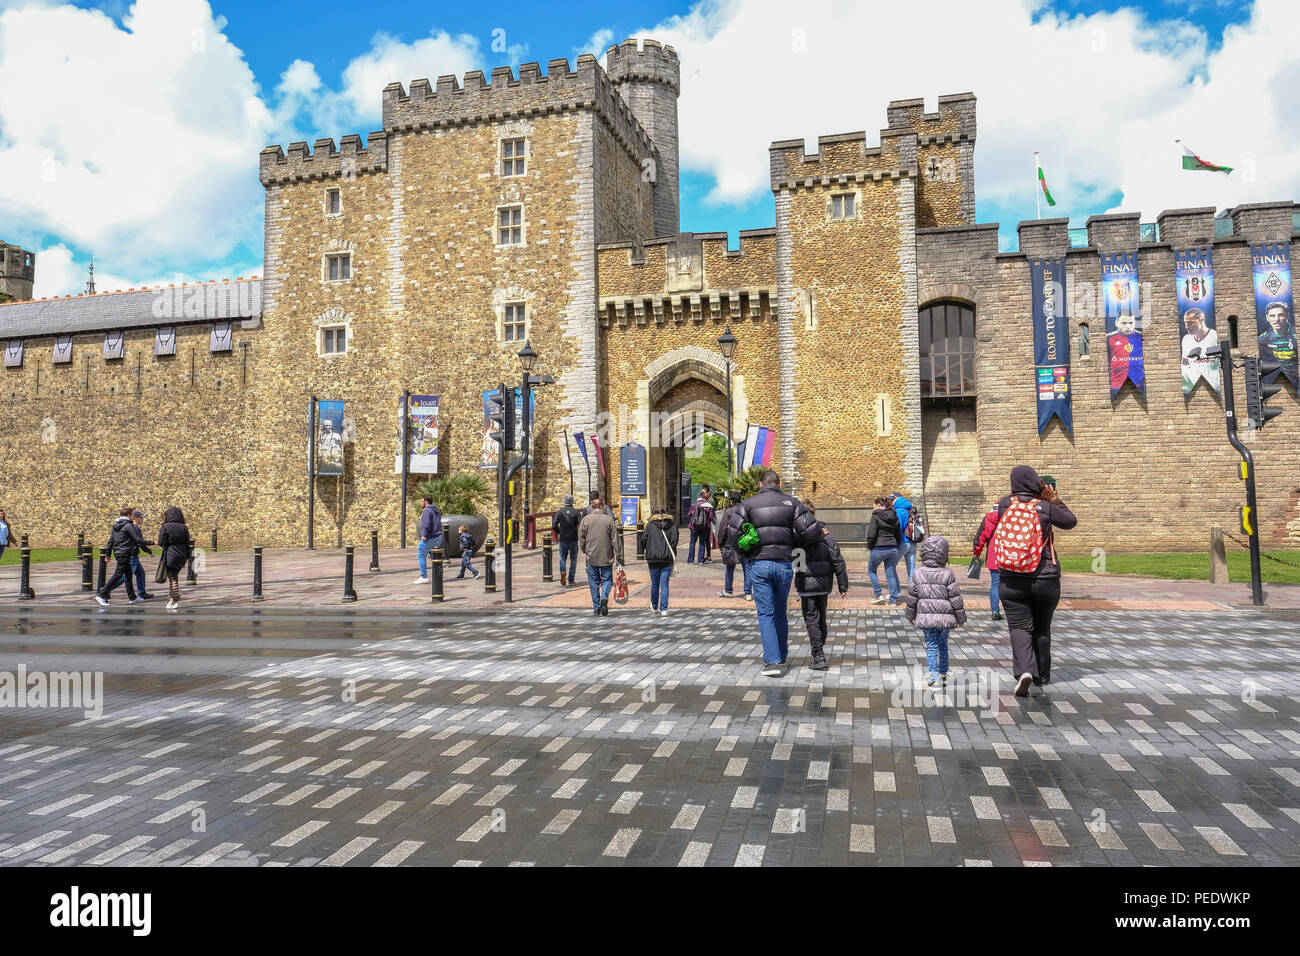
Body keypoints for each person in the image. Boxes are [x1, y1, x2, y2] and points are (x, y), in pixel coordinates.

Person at [725, 471, 820, 678]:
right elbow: (813, 531)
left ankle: (772, 661)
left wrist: (746, 553)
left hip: (760, 564)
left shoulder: (748, 504)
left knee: (765, 614)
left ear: (760, 484)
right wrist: (792, 544)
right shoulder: (792, 503)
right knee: (779, 612)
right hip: (785, 565)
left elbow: (731, 533)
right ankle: (781, 655)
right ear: (778, 483)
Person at [994, 465, 1077, 696]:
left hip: (1011, 578)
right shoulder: (1044, 507)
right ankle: (1041, 675)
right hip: (1045, 578)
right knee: (1042, 627)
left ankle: (1024, 671)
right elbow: (1070, 521)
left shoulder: (1004, 505)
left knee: (1019, 627)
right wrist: (1054, 500)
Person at [903, 535, 967, 686]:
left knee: (931, 645)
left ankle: (934, 677)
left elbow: (912, 598)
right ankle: (943, 673)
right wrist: (961, 619)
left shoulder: (918, 573)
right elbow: (955, 599)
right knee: (943, 644)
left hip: (926, 618)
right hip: (945, 618)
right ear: (944, 554)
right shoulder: (948, 574)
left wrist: (910, 615)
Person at [794, 501, 848, 671]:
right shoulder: (827, 536)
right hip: (824, 584)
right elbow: (838, 560)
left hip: (806, 584)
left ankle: (818, 654)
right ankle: (819, 646)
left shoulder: (798, 538)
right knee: (821, 616)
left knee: (811, 618)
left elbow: (797, 565)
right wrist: (843, 584)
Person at [95, 507, 152, 607]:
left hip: (121, 552)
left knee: (128, 575)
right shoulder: (128, 526)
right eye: (132, 515)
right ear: (129, 516)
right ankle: (102, 594)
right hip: (124, 553)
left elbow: (111, 541)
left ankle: (133, 598)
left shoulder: (116, 526)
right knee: (118, 575)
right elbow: (137, 539)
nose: (133, 517)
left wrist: (108, 554)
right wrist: (152, 542)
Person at [578, 497, 623, 617]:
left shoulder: (586, 520)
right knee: (607, 580)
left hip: (592, 556)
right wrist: (619, 556)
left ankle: (596, 607)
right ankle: (604, 596)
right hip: (606, 555)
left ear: (592, 507)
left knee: (593, 581)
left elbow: (581, 539)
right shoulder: (609, 520)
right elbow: (615, 540)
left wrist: (584, 550)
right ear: (602, 506)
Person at [638, 504, 677, 615]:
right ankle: (664, 609)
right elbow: (674, 540)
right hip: (667, 558)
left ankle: (654, 606)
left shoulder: (650, 525)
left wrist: (648, 548)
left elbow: (643, 540)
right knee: (664, 583)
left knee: (655, 583)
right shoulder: (672, 524)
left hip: (653, 559)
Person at [716, 491, 753, 600]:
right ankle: (748, 593)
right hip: (744, 542)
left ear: (731, 500)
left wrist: (721, 542)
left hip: (730, 543)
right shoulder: (745, 511)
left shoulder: (728, 512)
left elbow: (723, 529)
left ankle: (728, 590)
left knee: (729, 567)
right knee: (747, 568)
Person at [866, 497, 903, 606]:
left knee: (871, 570)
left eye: (873, 504)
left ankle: (878, 595)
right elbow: (898, 535)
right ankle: (893, 600)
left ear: (878, 504)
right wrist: (895, 545)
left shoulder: (875, 516)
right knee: (890, 574)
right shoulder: (895, 516)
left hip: (879, 548)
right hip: (892, 548)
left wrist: (870, 546)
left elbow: (872, 534)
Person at [156, 507, 192, 610]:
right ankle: (173, 597)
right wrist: (187, 557)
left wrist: (168, 545)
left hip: (170, 554)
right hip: (182, 554)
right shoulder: (184, 527)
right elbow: (187, 543)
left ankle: (174, 600)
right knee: (174, 576)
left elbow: (160, 542)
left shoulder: (165, 526)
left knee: (172, 578)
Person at [972, 501, 1003, 620]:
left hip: (993, 554)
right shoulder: (1010, 517)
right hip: (1010, 555)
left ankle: (995, 611)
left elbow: (980, 538)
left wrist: (976, 553)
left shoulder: (988, 519)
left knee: (995, 583)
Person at [1180, 308, 1220, 392]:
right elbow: (1185, 362)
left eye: (1190, 322)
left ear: (1201, 320)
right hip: (1192, 384)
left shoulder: (1214, 336)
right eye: (1185, 323)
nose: (1187, 326)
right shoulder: (1186, 339)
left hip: (1214, 383)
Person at [1258, 302, 1297, 378]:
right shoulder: (1262, 339)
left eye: (1281, 315)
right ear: (1267, 317)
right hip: (1275, 379)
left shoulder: (1295, 334)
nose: (1276, 319)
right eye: (1272, 316)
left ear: (1287, 316)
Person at [1107, 312, 1144, 391]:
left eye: (1131, 323)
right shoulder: (1109, 338)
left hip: (1140, 384)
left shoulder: (1140, 337)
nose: (1128, 326)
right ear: (1116, 323)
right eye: (1124, 323)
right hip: (1115, 385)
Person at [552, 494, 581, 587]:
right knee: (573, 559)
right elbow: (580, 525)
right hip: (573, 538)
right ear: (572, 501)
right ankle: (571, 579)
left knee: (562, 557)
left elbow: (554, 525)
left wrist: (559, 532)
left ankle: (563, 571)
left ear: (564, 501)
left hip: (563, 538)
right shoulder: (576, 512)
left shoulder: (560, 512)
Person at [414, 495, 443, 585]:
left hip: (429, 537)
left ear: (426, 501)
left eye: (422, 501)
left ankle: (423, 577)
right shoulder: (436, 510)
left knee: (421, 555)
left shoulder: (426, 510)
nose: (421, 503)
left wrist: (425, 535)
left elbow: (426, 524)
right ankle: (438, 575)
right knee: (434, 557)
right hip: (438, 537)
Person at [128, 510, 156, 600]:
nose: (142, 519)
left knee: (140, 573)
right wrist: (149, 551)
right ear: (134, 518)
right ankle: (105, 591)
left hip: (133, 554)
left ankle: (142, 592)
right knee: (124, 576)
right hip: (132, 555)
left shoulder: (132, 527)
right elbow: (140, 542)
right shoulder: (135, 528)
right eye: (140, 517)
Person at [889, 492, 917, 581]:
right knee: (911, 568)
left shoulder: (899, 511)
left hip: (903, 542)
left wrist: (894, 543)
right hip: (912, 542)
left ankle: (895, 592)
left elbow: (898, 528)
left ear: (897, 499)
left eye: (892, 500)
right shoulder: (910, 510)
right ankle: (914, 591)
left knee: (890, 566)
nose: (891, 502)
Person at [686, 485, 715, 563]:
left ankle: (690, 560)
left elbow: (690, 514)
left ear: (698, 496)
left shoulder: (693, 505)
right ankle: (701, 560)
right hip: (704, 527)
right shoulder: (708, 506)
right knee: (702, 543)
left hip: (694, 526)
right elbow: (711, 517)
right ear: (704, 496)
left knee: (692, 542)